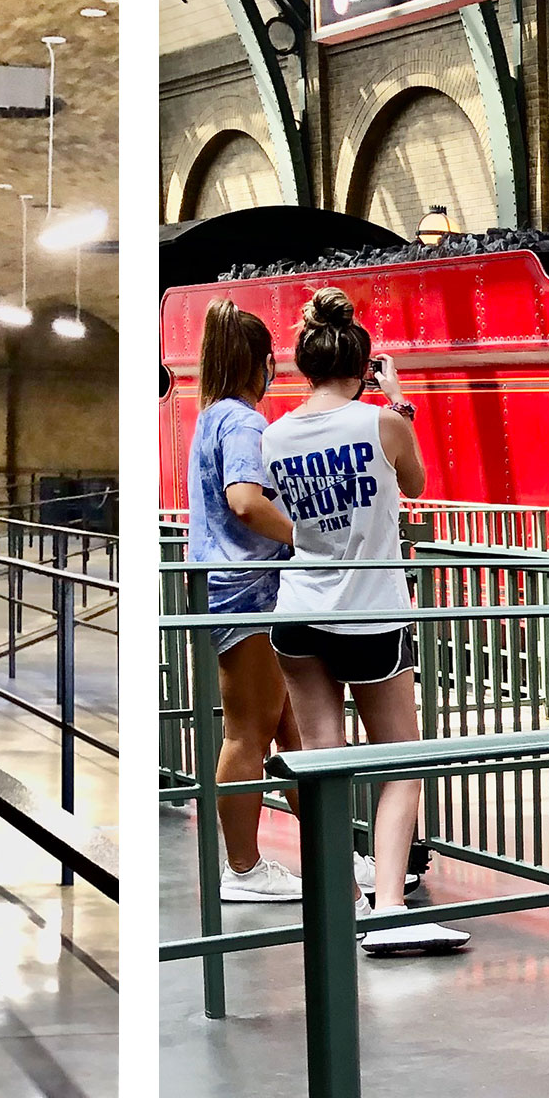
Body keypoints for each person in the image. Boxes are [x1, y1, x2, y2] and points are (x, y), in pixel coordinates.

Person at [263, 287, 466, 955]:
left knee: (323, 763)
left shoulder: (274, 435)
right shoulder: (383, 421)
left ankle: (340, 905)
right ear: (363, 364)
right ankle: (388, 908)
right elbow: (414, 485)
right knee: (400, 763)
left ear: (304, 364)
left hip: (296, 613)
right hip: (370, 612)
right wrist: (398, 398)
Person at [188, 299, 303, 902]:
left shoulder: (208, 417)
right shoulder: (243, 422)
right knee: (248, 734)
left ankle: (335, 853)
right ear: (258, 363)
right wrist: (305, 537)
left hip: (229, 591)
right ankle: (242, 869)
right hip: (249, 594)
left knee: (294, 733)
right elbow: (244, 500)